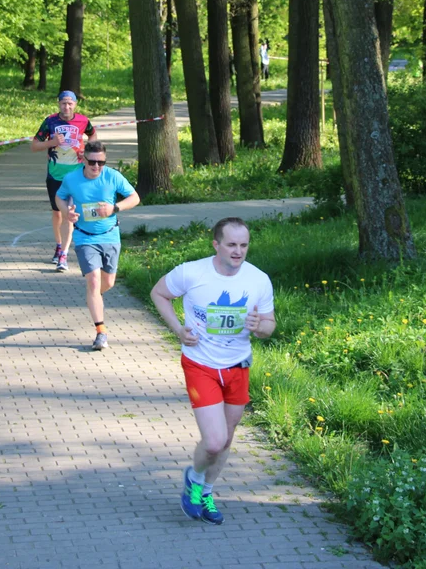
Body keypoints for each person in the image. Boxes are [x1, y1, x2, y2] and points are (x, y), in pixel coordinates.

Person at [149, 217, 276, 525]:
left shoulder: (258, 279)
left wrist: (260, 326)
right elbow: (158, 293)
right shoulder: (192, 272)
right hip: (201, 365)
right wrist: (178, 329)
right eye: (231, 245)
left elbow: (270, 326)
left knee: (227, 439)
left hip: (238, 367)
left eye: (244, 245)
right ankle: (193, 478)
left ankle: (206, 491)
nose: (238, 251)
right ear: (216, 245)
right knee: (215, 441)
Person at [56, 140, 140, 350]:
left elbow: (134, 197)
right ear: (83, 160)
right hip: (84, 237)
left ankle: (94, 298)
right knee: (93, 281)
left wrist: (115, 208)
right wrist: (67, 212)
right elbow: (60, 197)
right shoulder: (71, 178)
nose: (96, 167)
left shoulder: (112, 176)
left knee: (107, 283)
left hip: (110, 235)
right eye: (92, 162)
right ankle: (101, 332)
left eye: (101, 162)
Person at [31, 90, 97, 272]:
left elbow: (92, 133)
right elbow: (34, 145)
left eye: (70, 103)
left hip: (75, 175)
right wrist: (50, 143)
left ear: (75, 104)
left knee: (69, 212)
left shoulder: (83, 121)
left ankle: (64, 255)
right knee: (57, 213)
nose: (66, 107)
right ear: (58, 104)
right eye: (63, 103)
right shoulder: (50, 121)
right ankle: (59, 245)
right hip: (54, 174)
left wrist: (88, 150)